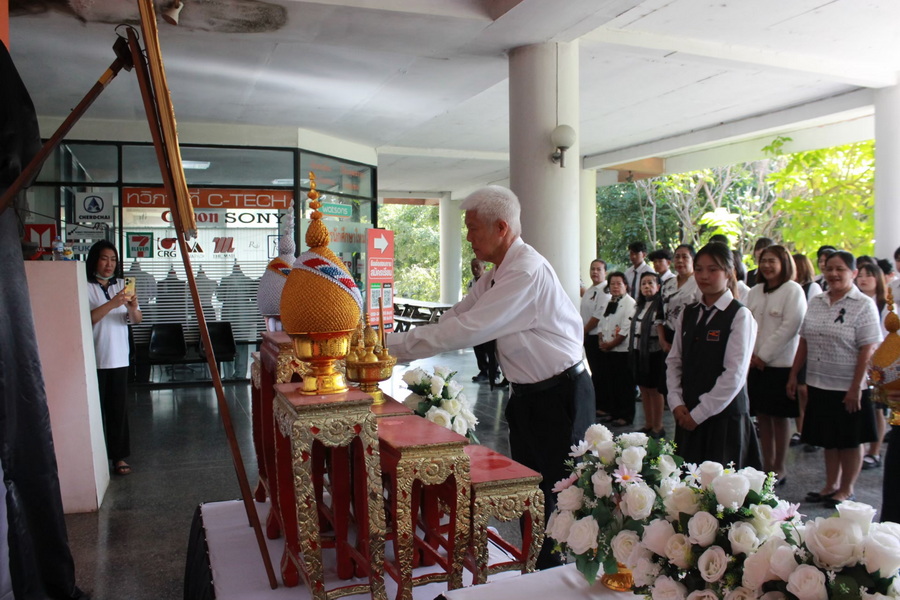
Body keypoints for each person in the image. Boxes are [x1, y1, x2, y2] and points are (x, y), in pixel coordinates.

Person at [387, 186, 594, 570]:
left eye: (473, 228)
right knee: (534, 491)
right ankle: (538, 570)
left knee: (562, 496)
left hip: (560, 395)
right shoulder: (498, 273)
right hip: (529, 397)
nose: (468, 237)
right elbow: (457, 316)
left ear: (501, 227)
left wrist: (388, 348)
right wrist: (392, 345)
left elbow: (467, 329)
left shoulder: (525, 271)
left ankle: (560, 577)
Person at [787, 251, 882, 508]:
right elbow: (804, 340)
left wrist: (855, 387)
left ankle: (846, 489)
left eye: (840, 269)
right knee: (829, 439)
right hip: (819, 382)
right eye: (829, 268)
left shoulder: (863, 304)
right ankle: (830, 485)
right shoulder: (817, 301)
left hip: (850, 386)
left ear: (853, 273)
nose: (833, 274)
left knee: (850, 440)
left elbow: (868, 349)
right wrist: (794, 374)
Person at [665, 242, 761, 468]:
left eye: (712, 269)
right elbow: (674, 360)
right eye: (699, 269)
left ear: (728, 272)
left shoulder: (740, 315)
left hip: (723, 418)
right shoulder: (689, 313)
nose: (704, 276)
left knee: (720, 486)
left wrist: (699, 414)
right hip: (687, 412)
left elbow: (734, 375)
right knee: (687, 483)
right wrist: (676, 402)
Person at [744, 245, 806, 486]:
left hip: (780, 365)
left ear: (784, 263)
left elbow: (790, 327)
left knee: (779, 419)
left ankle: (780, 466)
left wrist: (763, 356)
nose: (767, 266)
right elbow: (745, 322)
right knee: (762, 416)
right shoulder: (755, 291)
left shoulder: (793, 290)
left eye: (772, 261)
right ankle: (767, 464)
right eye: (763, 261)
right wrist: (751, 354)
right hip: (754, 363)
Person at [86, 240, 142, 476]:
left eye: (113, 260)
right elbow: (87, 318)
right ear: (94, 260)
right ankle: (95, 458)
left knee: (118, 410)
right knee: (95, 411)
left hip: (119, 357)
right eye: (104, 259)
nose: (109, 264)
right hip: (94, 358)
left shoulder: (123, 284)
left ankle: (119, 456)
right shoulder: (84, 285)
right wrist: (112, 303)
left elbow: (136, 320)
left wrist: (132, 306)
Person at [855, 261, 889, 471]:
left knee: (877, 410)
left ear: (878, 279)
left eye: (869, 275)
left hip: (880, 366)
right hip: (859, 363)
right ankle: (864, 448)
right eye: (860, 275)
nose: (863, 279)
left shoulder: (886, 305)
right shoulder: (857, 303)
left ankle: (875, 451)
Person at [790, 252, 824, 448]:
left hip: (809, 344)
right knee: (798, 391)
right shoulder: (789, 288)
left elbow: (811, 317)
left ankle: (814, 431)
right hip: (795, 345)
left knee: (806, 391)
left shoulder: (812, 288)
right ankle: (800, 430)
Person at [595, 272, 637, 427]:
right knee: (611, 384)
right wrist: (601, 340)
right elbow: (601, 323)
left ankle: (626, 416)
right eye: (612, 284)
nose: (615, 287)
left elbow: (626, 328)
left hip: (622, 351)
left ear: (625, 285)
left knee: (624, 385)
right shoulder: (609, 301)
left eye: (619, 283)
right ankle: (614, 413)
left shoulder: (630, 303)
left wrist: (611, 344)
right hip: (608, 350)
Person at [629, 271, 665, 438]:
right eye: (643, 283)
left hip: (654, 353)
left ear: (658, 286)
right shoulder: (639, 306)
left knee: (655, 390)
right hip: (639, 352)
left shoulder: (661, 306)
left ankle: (658, 426)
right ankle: (648, 424)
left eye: (651, 283)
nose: (647, 286)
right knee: (643, 389)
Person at [580, 259, 611, 418]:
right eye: (593, 269)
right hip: (588, 336)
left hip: (596, 336)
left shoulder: (605, 291)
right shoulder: (591, 290)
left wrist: (584, 331)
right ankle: (598, 403)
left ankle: (604, 405)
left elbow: (598, 316)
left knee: (601, 372)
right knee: (595, 371)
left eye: (599, 269)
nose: (595, 272)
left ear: (605, 272)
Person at [659, 244, 701, 353]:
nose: (680, 260)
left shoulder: (699, 283)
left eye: (685, 257)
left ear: (693, 260)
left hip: (690, 337)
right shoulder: (667, 284)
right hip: (668, 338)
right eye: (677, 257)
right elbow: (659, 315)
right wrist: (662, 341)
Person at [468, 258, 500, 385]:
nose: (475, 269)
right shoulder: (471, 283)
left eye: (477, 267)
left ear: (484, 268)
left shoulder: (490, 282)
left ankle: (494, 372)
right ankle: (483, 370)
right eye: (472, 267)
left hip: (488, 319)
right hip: (475, 319)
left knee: (490, 348)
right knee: (478, 347)